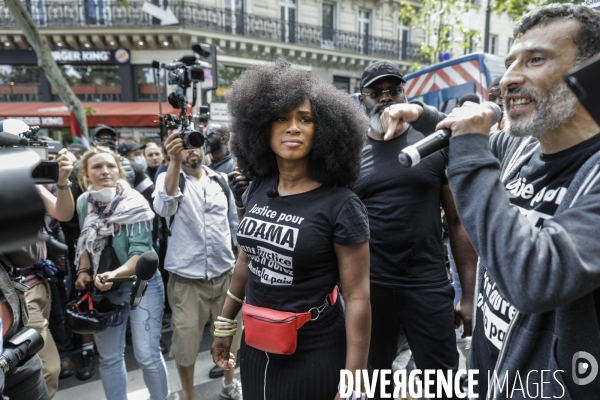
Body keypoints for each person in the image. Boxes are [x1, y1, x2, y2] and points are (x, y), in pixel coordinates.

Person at [436, 4, 600, 398]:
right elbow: (480, 138)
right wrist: (419, 115)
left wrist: (470, 149)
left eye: (536, 59)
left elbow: (532, 279)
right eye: (510, 62)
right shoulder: (522, 149)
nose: (508, 77)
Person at [212, 59, 371, 400]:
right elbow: (245, 262)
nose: (293, 128)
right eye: (282, 118)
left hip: (314, 348)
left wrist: (354, 379)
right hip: (256, 344)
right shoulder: (257, 187)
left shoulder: (342, 205)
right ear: (261, 129)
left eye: (306, 119)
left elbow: (357, 295)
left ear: (325, 130)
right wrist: (225, 325)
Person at [352, 60, 478, 399]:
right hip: (371, 287)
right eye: (375, 93)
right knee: (374, 382)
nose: (386, 98)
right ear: (361, 99)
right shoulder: (349, 154)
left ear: (405, 95)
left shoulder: (432, 143)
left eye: (394, 90)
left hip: (427, 284)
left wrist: (467, 294)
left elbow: (457, 221)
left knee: (442, 384)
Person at [153, 122, 243, 400]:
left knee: (230, 336)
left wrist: (241, 264)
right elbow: (163, 205)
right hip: (186, 281)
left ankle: (229, 385)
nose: (192, 151)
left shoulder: (221, 181)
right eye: (185, 146)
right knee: (186, 345)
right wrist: (173, 161)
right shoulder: (170, 179)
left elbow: (234, 226)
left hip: (225, 276)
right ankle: (189, 396)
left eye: (196, 143)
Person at [73, 146, 168, 400]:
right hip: (105, 291)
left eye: (110, 166)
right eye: (97, 167)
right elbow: (85, 242)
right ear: (86, 174)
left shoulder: (134, 201)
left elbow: (140, 254)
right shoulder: (85, 202)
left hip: (141, 286)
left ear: (119, 170)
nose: (105, 171)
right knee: (110, 359)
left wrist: (111, 276)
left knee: (147, 357)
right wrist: (83, 270)